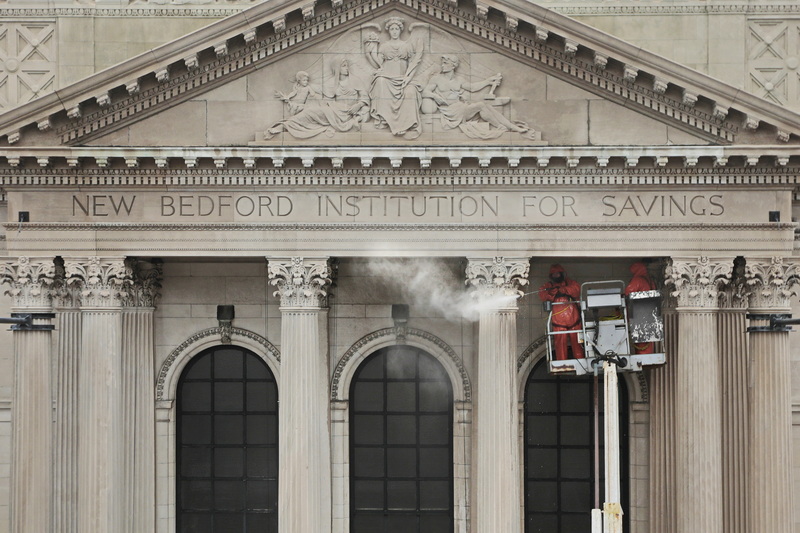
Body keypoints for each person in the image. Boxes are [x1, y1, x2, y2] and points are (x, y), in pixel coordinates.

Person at [422, 55, 534, 139]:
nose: (442, 65)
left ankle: (511, 128)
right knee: (481, 106)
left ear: (453, 65)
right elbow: (425, 92)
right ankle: (503, 127)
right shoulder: (436, 79)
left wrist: (488, 81)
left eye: (446, 63)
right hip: (449, 112)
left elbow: (472, 88)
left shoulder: (459, 80)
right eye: (443, 63)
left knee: (487, 107)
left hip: (460, 108)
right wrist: (435, 96)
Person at [263, 60, 368, 139]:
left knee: (311, 111)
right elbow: (320, 92)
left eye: (347, 66)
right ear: (337, 68)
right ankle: (284, 126)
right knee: (310, 112)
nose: (347, 68)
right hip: (333, 109)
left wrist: (358, 105)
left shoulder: (355, 80)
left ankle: (284, 127)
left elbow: (365, 97)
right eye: (344, 66)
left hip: (347, 113)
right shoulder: (331, 82)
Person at [364, 17, 423, 138]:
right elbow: (378, 63)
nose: (394, 31)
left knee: (411, 91)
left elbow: (414, 64)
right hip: (387, 77)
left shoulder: (406, 46)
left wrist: (408, 78)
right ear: (389, 31)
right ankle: (383, 118)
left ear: (400, 30)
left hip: (403, 79)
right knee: (379, 81)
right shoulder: (384, 46)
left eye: (396, 29)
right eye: (392, 29)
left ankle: (407, 124)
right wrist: (368, 53)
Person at [539, 264, 585, 360]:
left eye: (558, 274)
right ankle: (561, 361)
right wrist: (552, 293)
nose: (556, 276)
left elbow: (577, 289)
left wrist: (564, 290)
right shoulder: (549, 286)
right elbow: (542, 294)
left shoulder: (570, 283)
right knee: (560, 344)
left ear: (562, 274)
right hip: (558, 323)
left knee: (577, 344)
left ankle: (580, 359)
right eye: (554, 274)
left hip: (574, 320)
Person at [625, 261, 656, 354]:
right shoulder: (650, 281)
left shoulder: (638, 280)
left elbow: (628, 292)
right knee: (648, 344)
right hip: (651, 315)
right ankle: (648, 366)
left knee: (641, 345)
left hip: (640, 316)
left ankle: (643, 366)